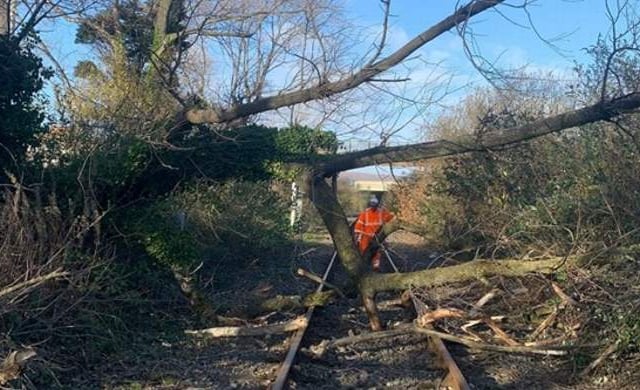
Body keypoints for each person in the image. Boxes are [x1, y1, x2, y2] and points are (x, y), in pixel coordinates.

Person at [354, 195, 394, 272]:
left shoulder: (381, 212)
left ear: (377, 205)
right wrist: (357, 235)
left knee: (377, 252)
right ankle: (364, 265)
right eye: (372, 204)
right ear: (370, 204)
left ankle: (375, 267)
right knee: (364, 251)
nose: (373, 207)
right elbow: (359, 224)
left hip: (376, 237)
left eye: (374, 205)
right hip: (366, 236)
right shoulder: (365, 213)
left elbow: (389, 217)